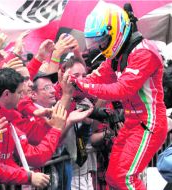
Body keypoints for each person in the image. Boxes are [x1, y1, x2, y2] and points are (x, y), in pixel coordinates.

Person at [68, 1, 168, 189]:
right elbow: (95, 78)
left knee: (125, 177)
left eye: (102, 40)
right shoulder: (117, 56)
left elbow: (121, 89)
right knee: (113, 177)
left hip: (150, 124)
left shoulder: (144, 52)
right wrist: (68, 82)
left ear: (116, 32)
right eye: (97, 42)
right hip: (132, 123)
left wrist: (82, 83)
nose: (100, 46)